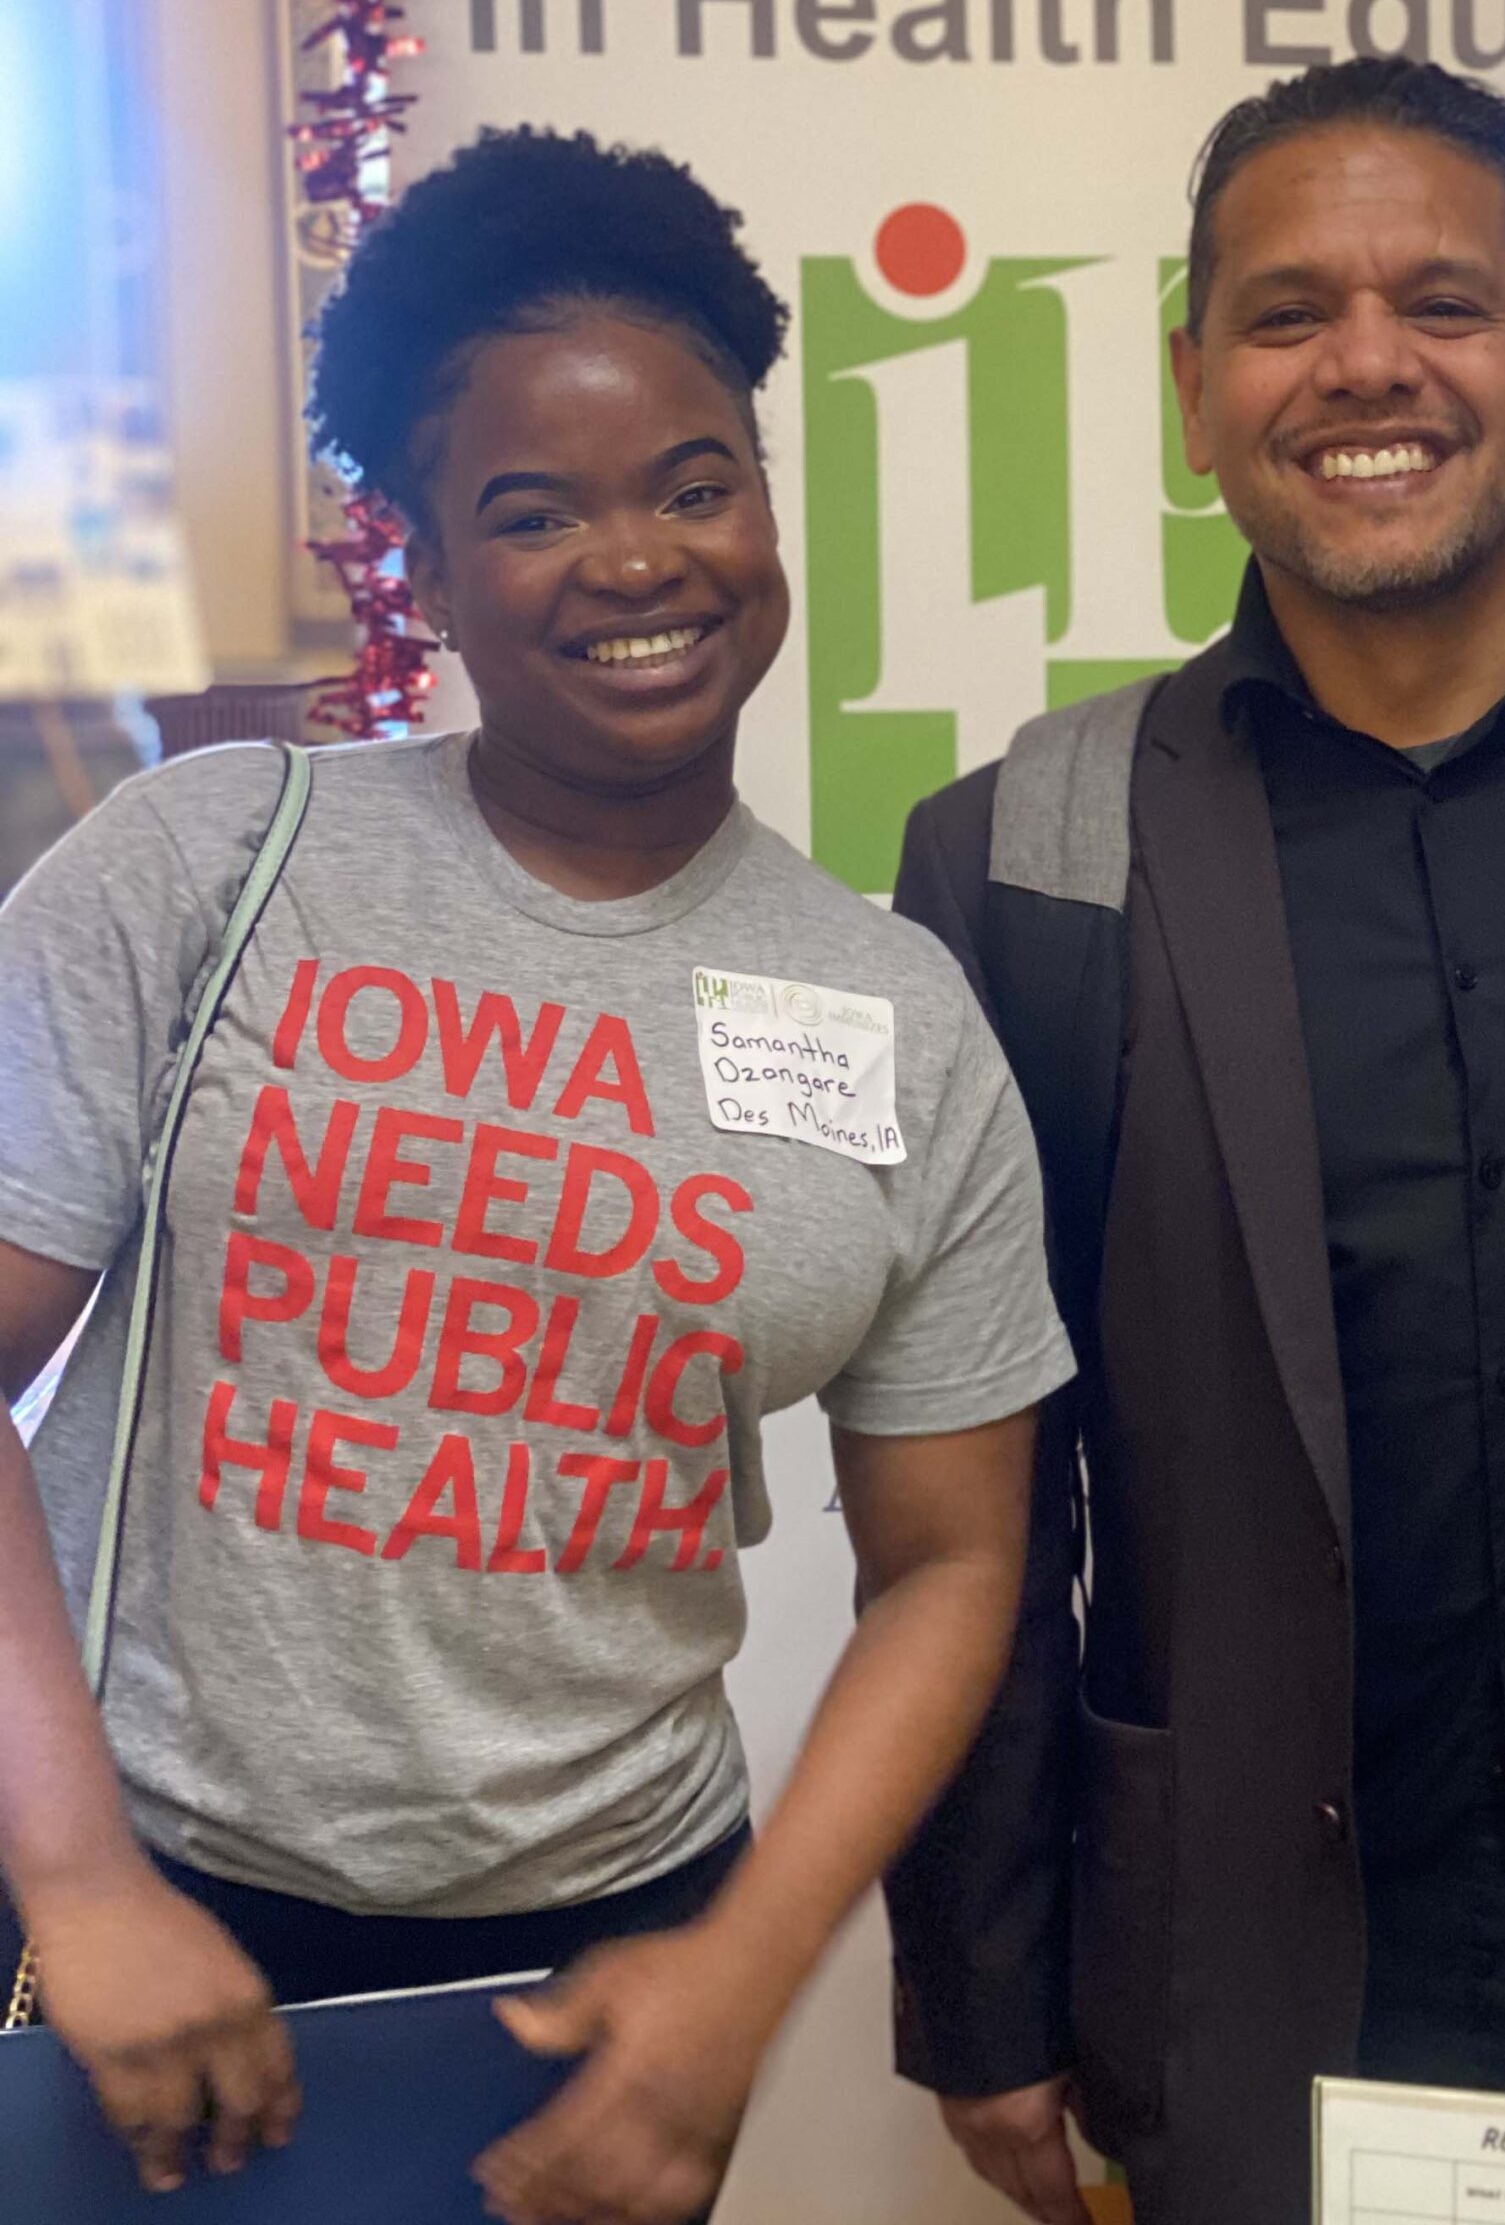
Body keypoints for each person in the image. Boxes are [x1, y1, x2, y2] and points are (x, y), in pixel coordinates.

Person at [0, 127, 1074, 2224]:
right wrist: (73, 1867)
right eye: (532, 507)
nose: (638, 555)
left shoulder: (894, 1013)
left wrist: (740, 1972)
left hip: (608, 1963)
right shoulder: (216, 861)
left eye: (693, 481)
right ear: (420, 559)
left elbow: (951, 1560)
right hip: (154, 1906)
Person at [883, 56, 1505, 2225]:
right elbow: (984, 1503)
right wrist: (985, 1986)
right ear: (1195, 387)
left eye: (1445, 301)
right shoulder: (1026, 859)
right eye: (1289, 311)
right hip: (1262, 1978)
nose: (1366, 364)